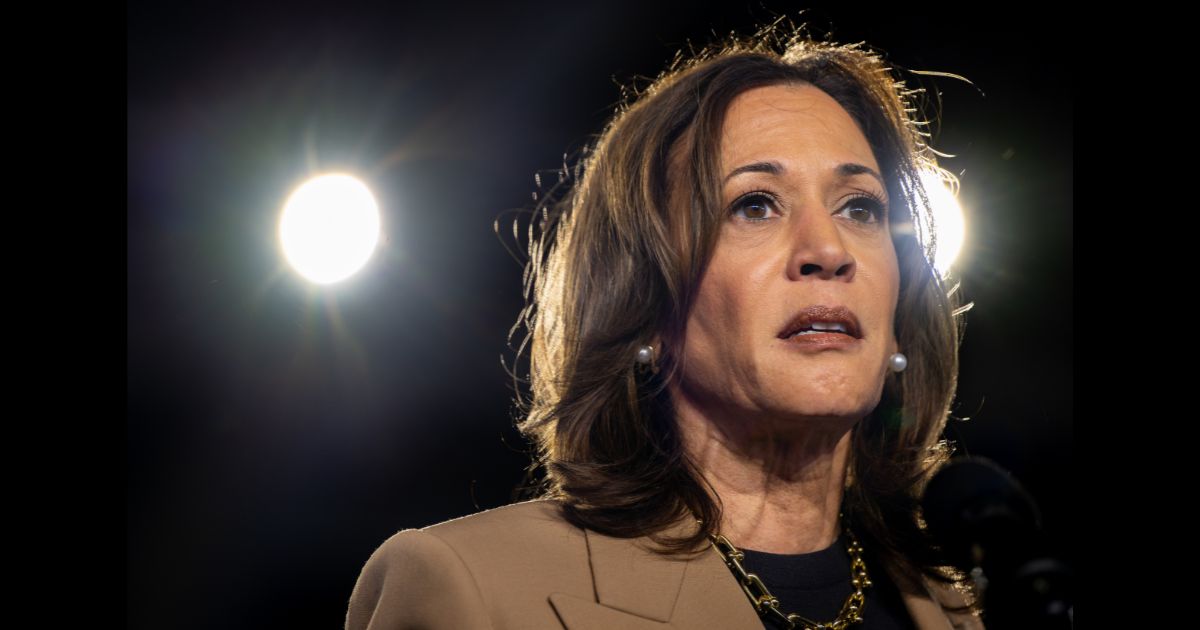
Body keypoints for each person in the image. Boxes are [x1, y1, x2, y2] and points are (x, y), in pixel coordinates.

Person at [346, 20, 983, 630]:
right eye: (754, 205)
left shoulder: (977, 598)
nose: (829, 249)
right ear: (646, 306)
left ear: (899, 318)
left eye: (860, 207)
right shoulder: (469, 592)